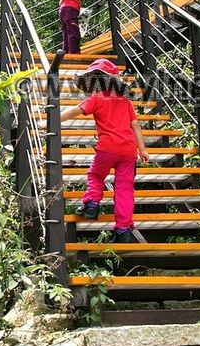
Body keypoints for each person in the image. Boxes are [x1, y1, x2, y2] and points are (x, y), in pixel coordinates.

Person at [59, 59, 150, 243]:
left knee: (96, 175)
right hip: (128, 151)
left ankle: (92, 204)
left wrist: (52, 120)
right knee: (125, 189)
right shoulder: (125, 101)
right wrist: (143, 150)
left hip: (107, 148)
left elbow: (76, 111)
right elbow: (135, 125)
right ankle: (123, 229)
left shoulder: (97, 98)